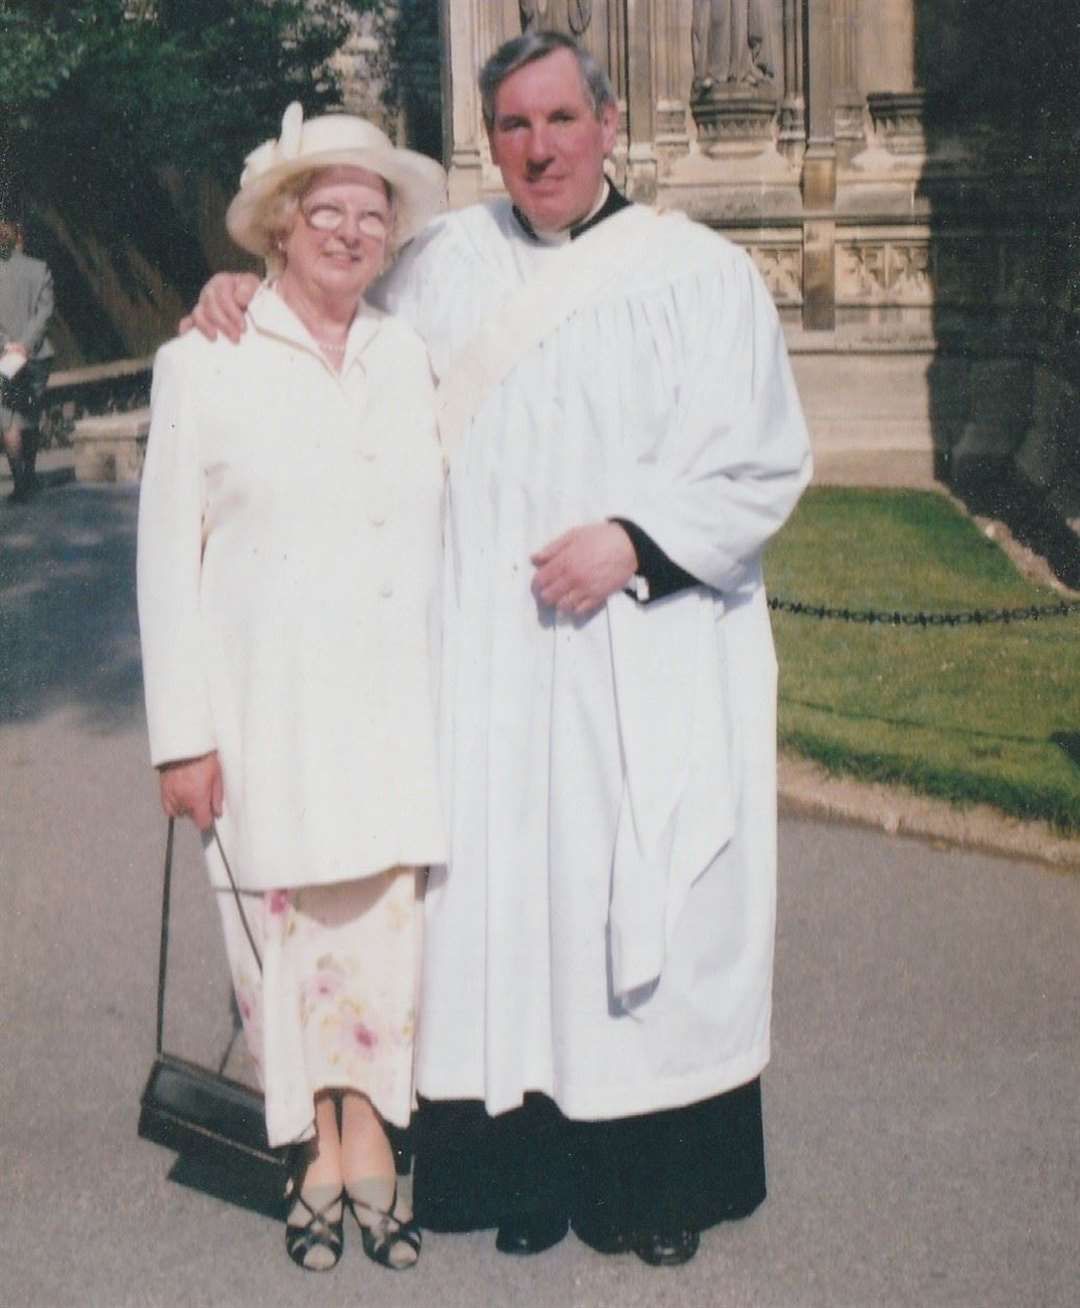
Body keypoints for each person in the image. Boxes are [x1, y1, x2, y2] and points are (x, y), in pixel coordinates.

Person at [187, 30, 812, 1268]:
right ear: (492, 138)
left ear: (609, 123)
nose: (538, 148)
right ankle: (522, 1174)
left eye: (561, 121)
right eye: (514, 127)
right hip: (485, 669)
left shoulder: (701, 275)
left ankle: (652, 1186)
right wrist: (241, 293)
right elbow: (332, 338)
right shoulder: (441, 266)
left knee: (643, 917)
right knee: (505, 920)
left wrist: (636, 541)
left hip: (640, 657)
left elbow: (765, 460)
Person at [137, 105, 447, 1275]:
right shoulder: (202, 358)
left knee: (377, 928)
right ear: (279, 224)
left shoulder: (406, 354)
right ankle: (310, 1138)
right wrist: (182, 738)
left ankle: (369, 1121)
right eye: (328, 211)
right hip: (263, 712)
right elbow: (167, 559)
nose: (352, 233)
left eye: (373, 215)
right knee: (281, 935)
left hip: (391, 707)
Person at [0, 217, 55, 504]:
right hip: (36, 355)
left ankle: (21, 482)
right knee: (30, 414)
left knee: (8, 418)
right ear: (20, 237)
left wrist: (8, 345)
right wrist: (26, 344)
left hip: (5, 358)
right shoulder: (39, 269)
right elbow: (45, 313)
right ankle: (30, 476)